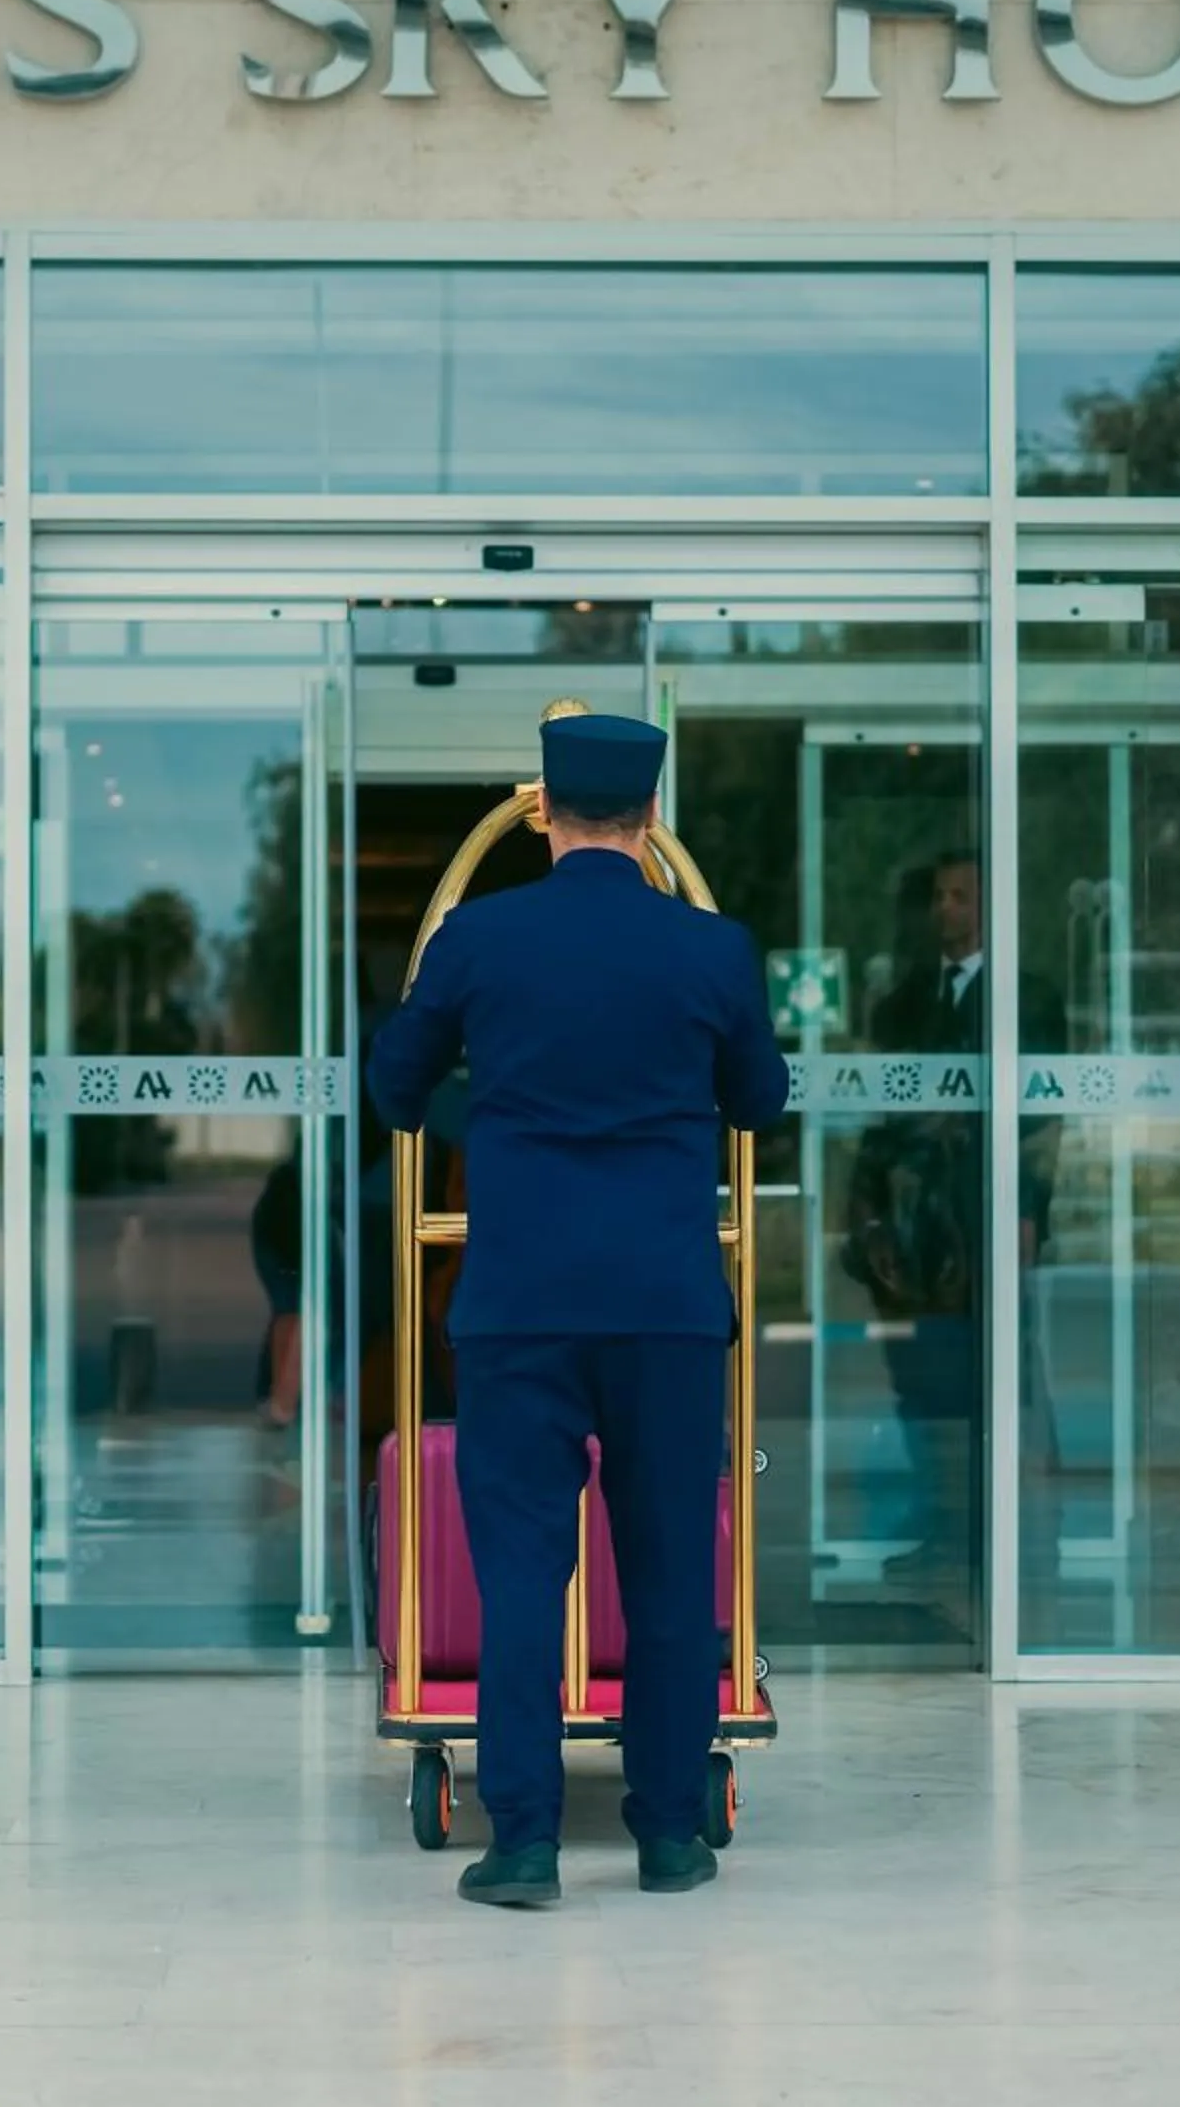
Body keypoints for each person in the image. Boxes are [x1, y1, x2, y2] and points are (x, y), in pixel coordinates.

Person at [369, 712, 789, 1910]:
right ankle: (665, 1833)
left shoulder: (477, 938)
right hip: (663, 1306)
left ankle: (526, 1844)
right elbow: (759, 1099)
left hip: (517, 1308)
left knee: (518, 1573)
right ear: (650, 821)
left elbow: (397, 1088)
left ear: (544, 813)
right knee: (664, 1573)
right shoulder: (712, 949)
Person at [843, 851, 1065, 1582]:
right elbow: (881, 1119)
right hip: (915, 1229)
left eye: (963, 896)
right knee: (922, 1384)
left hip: (987, 1215)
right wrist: (868, 1216)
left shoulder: (1028, 998)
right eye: (939, 896)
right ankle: (947, 1533)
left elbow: (1042, 1119)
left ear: (989, 906)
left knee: (1005, 1377)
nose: (948, 909)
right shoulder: (903, 1004)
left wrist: (1029, 1212)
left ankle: (1026, 1543)